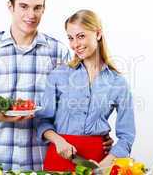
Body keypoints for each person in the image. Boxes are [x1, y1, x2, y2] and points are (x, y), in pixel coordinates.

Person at [0, 0, 113, 171]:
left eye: (37, 8)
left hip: (45, 158)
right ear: (10, 6)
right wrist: (4, 116)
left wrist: (97, 134)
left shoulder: (59, 52)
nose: (31, 15)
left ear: (44, 9)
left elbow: (74, 104)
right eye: (24, 6)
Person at [37, 9, 136, 171]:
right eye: (70, 38)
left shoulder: (118, 83)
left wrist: (106, 163)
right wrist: (58, 141)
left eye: (81, 36)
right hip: (59, 156)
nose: (75, 44)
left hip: (97, 160)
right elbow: (43, 120)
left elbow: (127, 135)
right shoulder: (58, 75)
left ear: (98, 34)